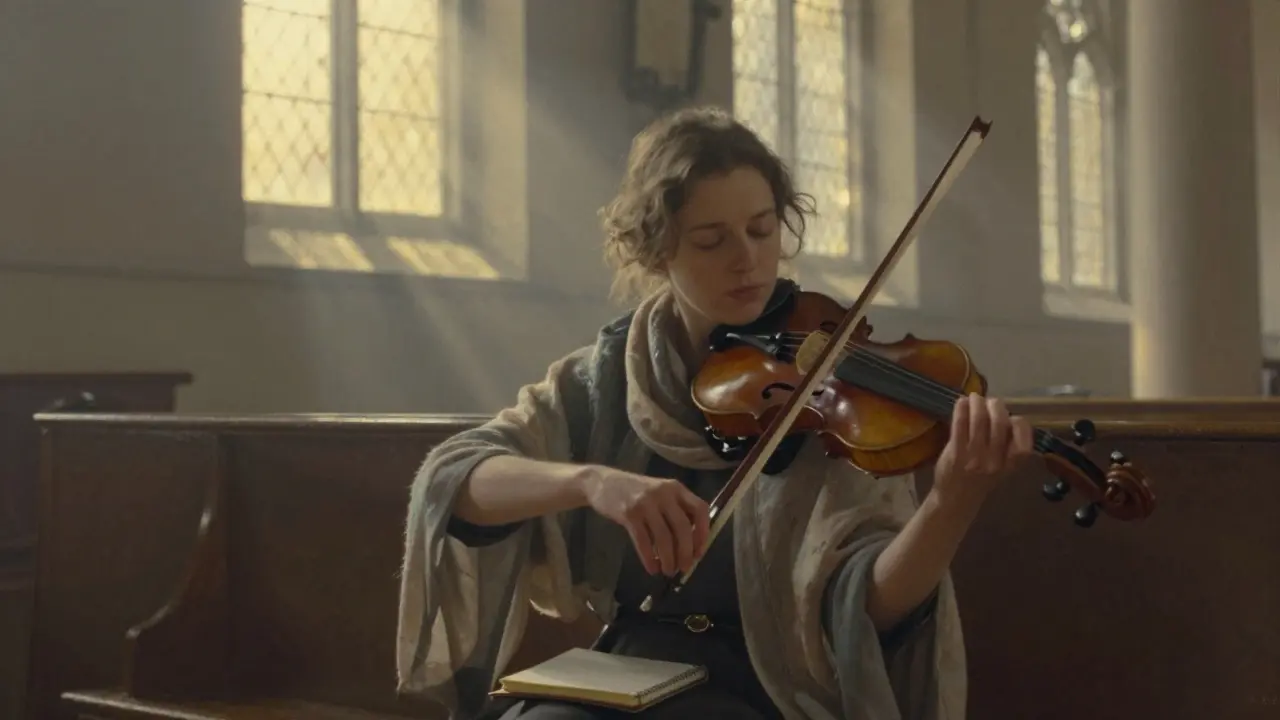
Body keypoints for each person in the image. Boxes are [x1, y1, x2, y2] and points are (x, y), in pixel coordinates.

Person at [397, 106, 1033, 720]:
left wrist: (952, 502)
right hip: (624, 675)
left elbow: (866, 610)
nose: (747, 259)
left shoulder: (832, 388)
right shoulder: (610, 378)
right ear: (656, 250)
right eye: (711, 240)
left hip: (770, 688)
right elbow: (455, 478)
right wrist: (595, 482)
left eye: (762, 229)